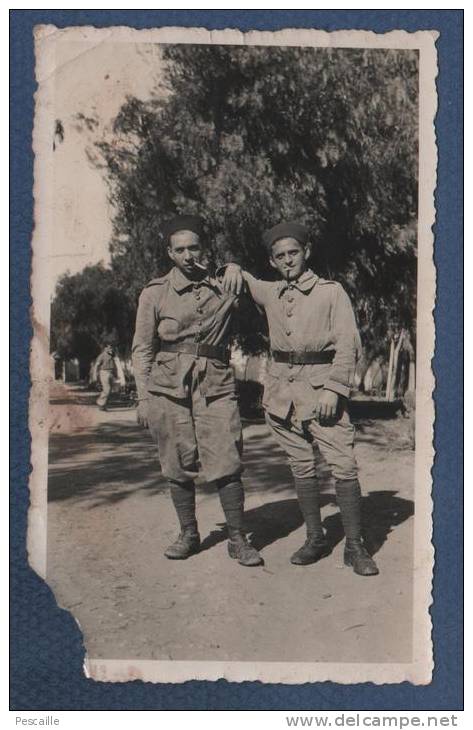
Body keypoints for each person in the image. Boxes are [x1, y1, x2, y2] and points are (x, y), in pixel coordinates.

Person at [221, 221, 379, 576]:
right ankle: (315, 538)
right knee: (301, 465)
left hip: (322, 392)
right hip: (281, 396)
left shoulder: (330, 292)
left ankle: (355, 547)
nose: (288, 260)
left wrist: (334, 389)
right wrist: (230, 267)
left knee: (343, 464)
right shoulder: (271, 292)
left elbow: (348, 345)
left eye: (294, 252)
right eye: (280, 256)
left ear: (306, 252)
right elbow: (244, 280)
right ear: (272, 261)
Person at [132, 214, 263, 567]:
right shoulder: (155, 293)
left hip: (216, 384)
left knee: (227, 458)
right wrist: (143, 397)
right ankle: (189, 534)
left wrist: (236, 267)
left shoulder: (223, 285)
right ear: (169, 253)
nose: (188, 255)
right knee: (177, 461)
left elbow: (257, 308)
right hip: (167, 389)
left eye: (194, 247)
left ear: (203, 248)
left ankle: (238, 539)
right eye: (180, 250)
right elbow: (142, 349)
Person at [95, 342, 117, 411]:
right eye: (109, 347)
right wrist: (95, 374)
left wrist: (115, 374)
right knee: (107, 389)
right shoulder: (102, 356)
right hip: (104, 372)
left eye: (111, 347)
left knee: (110, 390)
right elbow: (97, 365)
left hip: (111, 373)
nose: (111, 349)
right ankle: (100, 402)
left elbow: (115, 365)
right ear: (105, 348)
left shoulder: (112, 355)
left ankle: (103, 406)